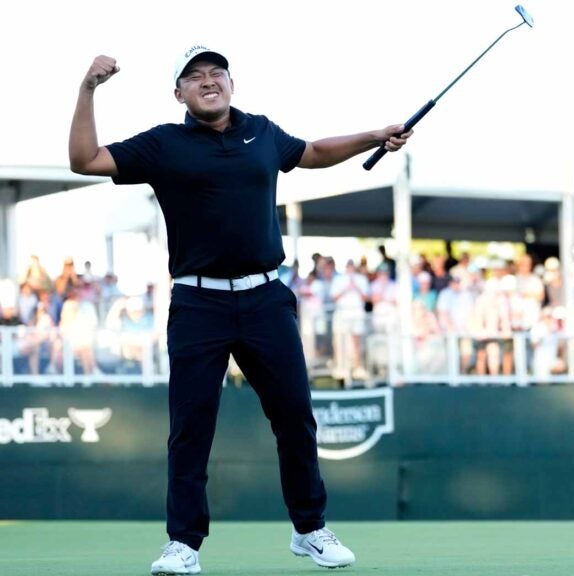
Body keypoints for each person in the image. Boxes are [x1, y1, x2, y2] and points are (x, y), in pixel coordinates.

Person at [69, 45, 412, 575]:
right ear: (178, 93)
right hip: (197, 302)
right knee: (191, 428)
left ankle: (310, 530)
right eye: (194, 76)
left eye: (216, 73)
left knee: (295, 418)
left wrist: (373, 137)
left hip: (265, 298)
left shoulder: (262, 132)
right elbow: (84, 160)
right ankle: (183, 545)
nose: (208, 81)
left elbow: (315, 152)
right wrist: (89, 87)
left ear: (231, 83)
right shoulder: (164, 143)